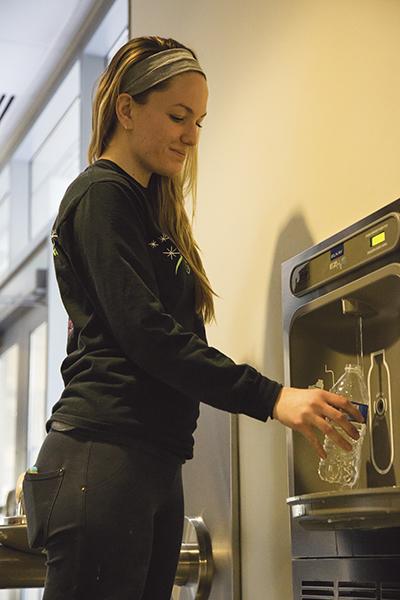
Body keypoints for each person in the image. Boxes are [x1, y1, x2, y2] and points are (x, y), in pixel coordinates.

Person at [22, 35, 364, 600]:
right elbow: (148, 335)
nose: (190, 134)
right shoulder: (100, 195)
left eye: (199, 121)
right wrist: (272, 397)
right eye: (178, 115)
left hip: (150, 459)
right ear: (126, 109)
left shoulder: (147, 209)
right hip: (103, 456)